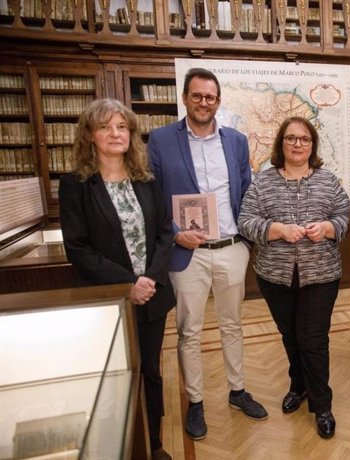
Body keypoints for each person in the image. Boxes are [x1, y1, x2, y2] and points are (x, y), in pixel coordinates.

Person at [147, 67, 267, 441]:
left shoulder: (236, 141)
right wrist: (175, 235)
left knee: (233, 324)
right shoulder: (160, 140)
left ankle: (237, 390)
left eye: (210, 97)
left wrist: (247, 241)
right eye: (197, 96)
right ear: (185, 98)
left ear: (218, 101)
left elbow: (247, 192)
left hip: (231, 249)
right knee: (190, 330)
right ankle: (195, 401)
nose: (204, 102)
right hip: (187, 254)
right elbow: (152, 198)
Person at [59, 98, 175, 460]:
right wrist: (130, 283)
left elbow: (165, 233)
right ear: (90, 135)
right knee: (113, 376)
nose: (115, 133)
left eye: (122, 127)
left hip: (152, 296)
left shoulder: (146, 180)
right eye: (105, 126)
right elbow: (78, 248)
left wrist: (149, 280)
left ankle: (153, 443)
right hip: (107, 299)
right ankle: (117, 444)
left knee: (151, 373)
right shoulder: (76, 185)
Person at [238, 116, 350, 439]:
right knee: (290, 336)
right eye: (291, 138)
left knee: (313, 339)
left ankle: (322, 405)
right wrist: (276, 230)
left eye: (304, 139)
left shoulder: (328, 180)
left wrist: (328, 228)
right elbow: (246, 221)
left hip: (321, 276)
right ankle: (298, 385)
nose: (297, 144)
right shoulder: (263, 181)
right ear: (281, 144)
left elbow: (345, 215)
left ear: (312, 145)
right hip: (274, 276)